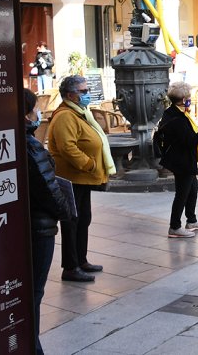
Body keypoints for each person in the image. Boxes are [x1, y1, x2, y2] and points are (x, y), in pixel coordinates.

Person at [48, 75, 115, 282]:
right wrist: (89, 164)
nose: (87, 94)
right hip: (72, 178)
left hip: (83, 178)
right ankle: (70, 267)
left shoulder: (80, 112)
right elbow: (68, 147)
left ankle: (81, 260)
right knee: (72, 222)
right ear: (70, 95)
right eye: (83, 91)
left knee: (83, 219)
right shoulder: (65, 116)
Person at [24, 88, 73, 355]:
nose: (38, 113)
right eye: (33, 109)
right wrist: (65, 211)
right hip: (40, 226)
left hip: (30, 222)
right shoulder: (30, 145)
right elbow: (48, 187)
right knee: (34, 291)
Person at [156, 82, 198, 238]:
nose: (190, 99)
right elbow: (191, 140)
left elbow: (187, 134)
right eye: (188, 97)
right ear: (183, 99)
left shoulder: (174, 112)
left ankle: (191, 220)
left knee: (192, 189)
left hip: (183, 159)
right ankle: (174, 227)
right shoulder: (177, 118)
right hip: (181, 161)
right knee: (182, 194)